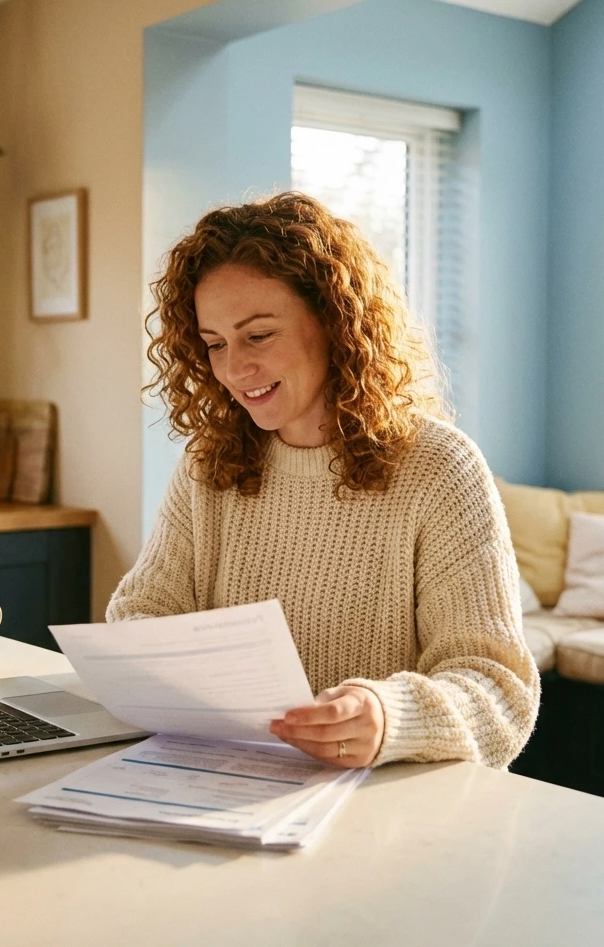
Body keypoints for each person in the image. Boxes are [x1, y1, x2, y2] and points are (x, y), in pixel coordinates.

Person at [108, 192, 539, 769]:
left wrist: (388, 717)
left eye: (258, 335)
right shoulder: (210, 466)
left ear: (336, 322)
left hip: (384, 818)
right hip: (230, 786)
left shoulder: (439, 468)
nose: (235, 368)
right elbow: (142, 612)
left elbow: (498, 691)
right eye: (215, 344)